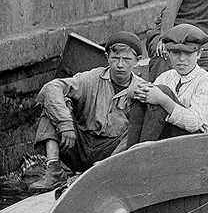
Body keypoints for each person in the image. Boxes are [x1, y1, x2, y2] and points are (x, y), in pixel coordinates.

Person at [28, 32, 146, 192]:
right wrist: (65, 124)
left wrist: (111, 162)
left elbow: (135, 135)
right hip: (78, 144)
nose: (120, 65)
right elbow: (52, 87)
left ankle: (105, 173)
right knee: (53, 106)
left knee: (136, 128)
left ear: (137, 61)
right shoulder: (92, 78)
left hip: (110, 152)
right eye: (115, 58)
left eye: (126, 59)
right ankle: (54, 170)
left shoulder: (141, 88)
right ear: (107, 57)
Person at [127, 24, 208, 146]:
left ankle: (141, 154)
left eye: (188, 54)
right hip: (173, 140)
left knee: (162, 92)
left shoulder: (206, 81)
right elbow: (149, 110)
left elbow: (194, 123)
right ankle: (131, 153)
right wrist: (134, 92)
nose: (181, 59)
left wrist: (163, 100)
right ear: (168, 53)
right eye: (176, 53)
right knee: (144, 98)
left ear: (199, 54)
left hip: (201, 143)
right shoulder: (166, 76)